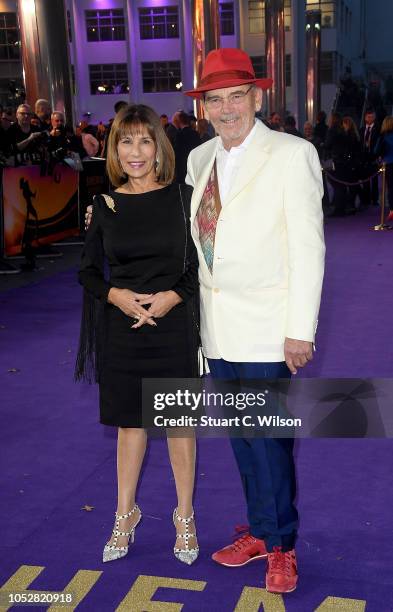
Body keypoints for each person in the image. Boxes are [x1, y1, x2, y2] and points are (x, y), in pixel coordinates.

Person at [184, 48, 325, 594]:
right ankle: (261, 532)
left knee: (270, 440)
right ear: (205, 107)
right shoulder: (199, 160)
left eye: (235, 97)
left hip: (269, 327)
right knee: (242, 437)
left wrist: (300, 328)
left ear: (257, 98)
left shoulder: (293, 154)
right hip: (217, 327)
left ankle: (283, 545)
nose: (225, 109)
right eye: (214, 99)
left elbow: (309, 250)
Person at [75, 104, 200, 566]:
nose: (135, 152)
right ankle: (125, 514)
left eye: (144, 141)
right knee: (132, 425)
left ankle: (184, 516)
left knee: (179, 426)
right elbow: (87, 273)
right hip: (124, 331)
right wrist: (117, 296)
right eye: (125, 142)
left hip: (173, 326)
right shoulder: (105, 206)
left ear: (158, 147)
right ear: (114, 149)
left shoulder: (183, 199)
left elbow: (198, 268)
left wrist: (171, 297)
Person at [172, 111, 201, 183]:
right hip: (195, 165)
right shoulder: (195, 133)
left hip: (183, 167)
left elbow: (177, 152)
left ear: (179, 122)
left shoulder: (179, 135)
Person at [359, 108, 380, 206]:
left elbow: (380, 144)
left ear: (374, 117)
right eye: (368, 116)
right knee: (365, 180)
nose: (370, 118)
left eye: (372, 116)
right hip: (363, 158)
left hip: (374, 158)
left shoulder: (378, 129)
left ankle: (375, 200)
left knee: (374, 180)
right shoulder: (362, 129)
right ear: (365, 118)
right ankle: (366, 199)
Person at [375, 116, 393, 222]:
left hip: (389, 164)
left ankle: (392, 211)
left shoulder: (383, 136)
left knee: (391, 188)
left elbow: (377, 150)